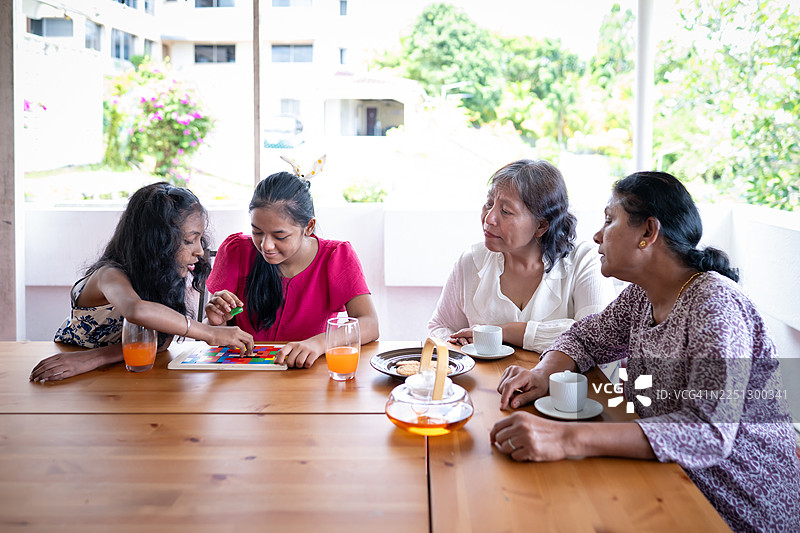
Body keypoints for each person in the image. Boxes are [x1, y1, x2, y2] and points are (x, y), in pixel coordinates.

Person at [492, 171, 800, 532]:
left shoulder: (715, 305)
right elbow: (587, 338)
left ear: (648, 233)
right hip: (670, 479)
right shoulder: (643, 295)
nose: (596, 235)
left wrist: (566, 438)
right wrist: (545, 373)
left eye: (609, 221)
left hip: (737, 507)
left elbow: (710, 431)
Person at [30, 182, 254, 383]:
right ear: (156, 243)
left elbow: (160, 342)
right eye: (188, 240)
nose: (199, 251)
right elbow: (136, 310)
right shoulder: (108, 275)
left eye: (199, 239)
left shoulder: (162, 280)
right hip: (71, 373)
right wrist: (208, 332)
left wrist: (95, 358)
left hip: (119, 373)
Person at [428, 159, 616, 353]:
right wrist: (457, 344)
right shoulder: (471, 262)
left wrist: (504, 332)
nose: (489, 218)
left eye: (506, 211)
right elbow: (440, 327)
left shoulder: (585, 261)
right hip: (486, 382)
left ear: (541, 225)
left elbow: (598, 335)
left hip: (559, 383)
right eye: (489, 203)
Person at [204, 168, 379, 369]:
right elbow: (215, 335)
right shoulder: (236, 250)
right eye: (257, 232)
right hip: (243, 378)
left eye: (280, 236)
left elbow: (370, 324)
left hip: (306, 376)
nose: (266, 246)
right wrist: (216, 323)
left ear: (309, 226)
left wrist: (319, 343)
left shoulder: (336, 256)